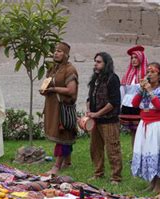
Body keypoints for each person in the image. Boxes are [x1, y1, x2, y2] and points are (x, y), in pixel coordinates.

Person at [131, 62, 160, 193]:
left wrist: (150, 91)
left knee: (157, 152)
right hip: (145, 124)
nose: (149, 75)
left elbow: (159, 106)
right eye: (148, 72)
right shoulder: (144, 89)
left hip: (159, 126)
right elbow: (134, 104)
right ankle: (152, 184)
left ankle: (159, 185)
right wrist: (141, 90)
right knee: (148, 152)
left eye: (152, 72)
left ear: (159, 75)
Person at [40, 42, 79, 176]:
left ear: (66, 55)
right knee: (62, 135)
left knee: (63, 135)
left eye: (60, 51)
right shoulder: (53, 68)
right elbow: (48, 83)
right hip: (53, 107)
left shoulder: (70, 69)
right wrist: (45, 90)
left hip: (63, 108)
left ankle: (57, 166)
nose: (56, 53)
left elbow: (71, 90)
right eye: (55, 51)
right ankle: (67, 162)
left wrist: (53, 89)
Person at [87, 52, 123, 185]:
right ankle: (98, 173)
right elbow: (89, 98)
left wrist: (98, 114)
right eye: (95, 61)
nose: (95, 64)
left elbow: (113, 102)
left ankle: (116, 177)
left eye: (99, 62)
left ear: (106, 63)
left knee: (112, 148)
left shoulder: (113, 79)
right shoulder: (95, 79)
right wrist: (89, 111)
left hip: (109, 120)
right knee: (95, 148)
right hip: (96, 121)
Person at [119, 45, 148, 148]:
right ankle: (134, 155)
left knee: (142, 132)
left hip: (141, 106)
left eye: (136, 57)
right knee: (133, 132)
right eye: (132, 58)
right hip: (128, 106)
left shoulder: (147, 74)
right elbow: (123, 90)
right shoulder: (127, 74)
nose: (133, 60)